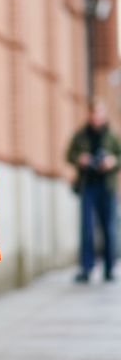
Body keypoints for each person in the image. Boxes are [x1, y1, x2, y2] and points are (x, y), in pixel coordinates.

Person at [67, 98, 121, 283]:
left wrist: (112, 162)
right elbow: (69, 154)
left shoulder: (112, 136)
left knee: (108, 227)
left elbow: (119, 156)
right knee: (87, 227)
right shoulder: (81, 135)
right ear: (89, 114)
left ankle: (109, 268)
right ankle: (86, 267)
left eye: (99, 113)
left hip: (107, 186)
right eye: (93, 113)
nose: (96, 117)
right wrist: (80, 159)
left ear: (104, 115)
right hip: (88, 185)